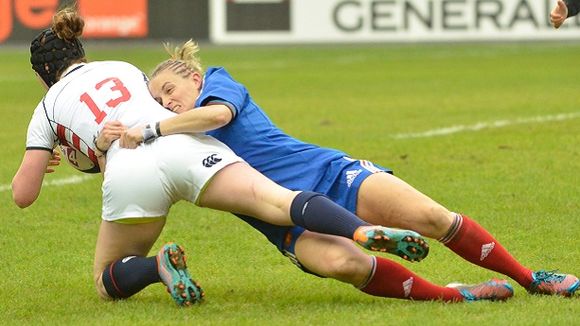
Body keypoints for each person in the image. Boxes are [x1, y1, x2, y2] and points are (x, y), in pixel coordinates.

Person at [11, 6, 435, 307]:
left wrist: (71, 152)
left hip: (129, 171)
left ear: (41, 76)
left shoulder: (47, 108)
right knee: (280, 202)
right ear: (80, 52)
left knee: (106, 279)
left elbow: (24, 195)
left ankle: (157, 266)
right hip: (184, 146)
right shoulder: (124, 67)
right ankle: (361, 232)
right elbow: (154, 111)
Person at [103, 39, 579, 299]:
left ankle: (528, 276)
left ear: (191, 75)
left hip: (329, 175)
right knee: (343, 265)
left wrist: (152, 127)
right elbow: (138, 169)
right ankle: (456, 296)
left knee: (433, 218)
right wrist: (101, 146)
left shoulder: (216, 86)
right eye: (159, 99)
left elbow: (218, 117)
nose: (166, 101)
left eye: (169, 89)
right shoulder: (170, 131)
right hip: (282, 222)